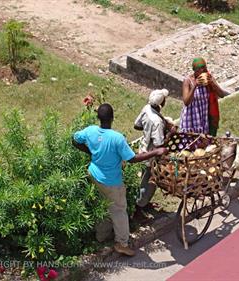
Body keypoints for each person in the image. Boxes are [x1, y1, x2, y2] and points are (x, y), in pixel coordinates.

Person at [72, 103, 168, 256]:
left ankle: (101, 236)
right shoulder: (116, 138)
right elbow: (132, 159)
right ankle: (122, 244)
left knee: (103, 205)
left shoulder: (90, 131)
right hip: (111, 181)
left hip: (94, 175)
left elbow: (74, 139)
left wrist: (90, 152)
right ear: (112, 118)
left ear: (98, 118)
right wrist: (156, 151)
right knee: (119, 210)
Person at [134, 89, 174, 212]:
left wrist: (147, 130)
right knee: (149, 182)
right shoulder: (157, 122)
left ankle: (140, 202)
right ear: (161, 103)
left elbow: (137, 125)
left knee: (142, 180)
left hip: (143, 149)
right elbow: (159, 145)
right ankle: (141, 206)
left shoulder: (146, 108)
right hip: (150, 156)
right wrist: (170, 134)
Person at [180, 57, 230, 136]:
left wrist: (212, 83)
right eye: (200, 68)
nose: (203, 70)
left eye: (204, 67)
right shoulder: (188, 81)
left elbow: (222, 94)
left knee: (203, 142)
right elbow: (186, 102)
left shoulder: (209, 77)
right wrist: (195, 85)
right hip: (191, 118)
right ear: (195, 70)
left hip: (203, 117)